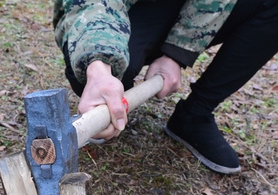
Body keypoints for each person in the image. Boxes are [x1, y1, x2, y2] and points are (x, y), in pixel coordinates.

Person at [53, 0, 278, 174]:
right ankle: (100, 89)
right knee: (117, 68)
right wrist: (98, 64)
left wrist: (176, 52)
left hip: (188, 9)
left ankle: (194, 115)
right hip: (123, 11)